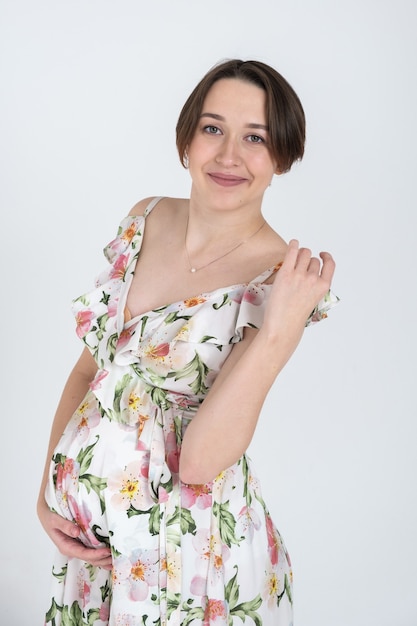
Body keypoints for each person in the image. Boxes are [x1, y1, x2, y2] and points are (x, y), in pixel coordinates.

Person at [38, 58, 338, 626]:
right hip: (98, 551)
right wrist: (47, 491)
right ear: (186, 138)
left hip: (189, 562)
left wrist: (279, 333)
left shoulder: (281, 280)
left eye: (256, 137)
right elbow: (89, 373)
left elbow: (199, 462)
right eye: (213, 128)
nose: (229, 155)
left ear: (282, 155)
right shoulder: (144, 218)